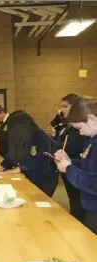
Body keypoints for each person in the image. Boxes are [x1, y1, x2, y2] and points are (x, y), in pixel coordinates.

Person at [55, 97, 97, 234]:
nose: (80, 132)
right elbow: (89, 165)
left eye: (79, 127)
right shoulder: (92, 139)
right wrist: (71, 161)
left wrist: (68, 168)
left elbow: (93, 182)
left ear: (91, 118)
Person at [47, 94, 88, 222]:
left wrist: (54, 144)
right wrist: (55, 137)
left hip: (76, 166)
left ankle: (77, 221)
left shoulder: (80, 129)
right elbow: (63, 140)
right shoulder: (65, 124)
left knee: (78, 199)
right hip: (69, 164)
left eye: (65, 106)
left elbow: (76, 147)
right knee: (73, 198)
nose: (62, 110)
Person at [0, 111, 58, 197]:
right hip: (28, 176)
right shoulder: (20, 136)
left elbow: (40, 161)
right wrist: (3, 166)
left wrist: (20, 169)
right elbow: (13, 154)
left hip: (44, 178)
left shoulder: (40, 136)